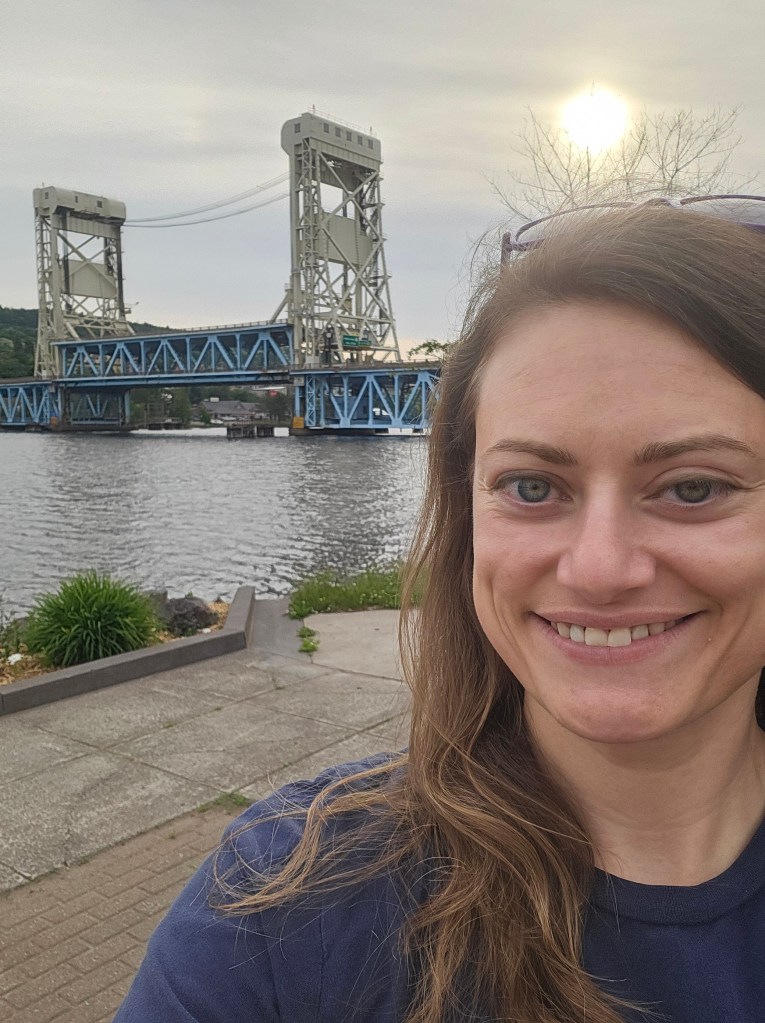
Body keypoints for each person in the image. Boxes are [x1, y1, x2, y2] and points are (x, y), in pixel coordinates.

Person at [114, 198, 765, 1023]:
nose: (599, 569)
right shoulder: (278, 911)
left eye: (693, 487)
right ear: (467, 514)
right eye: (531, 487)